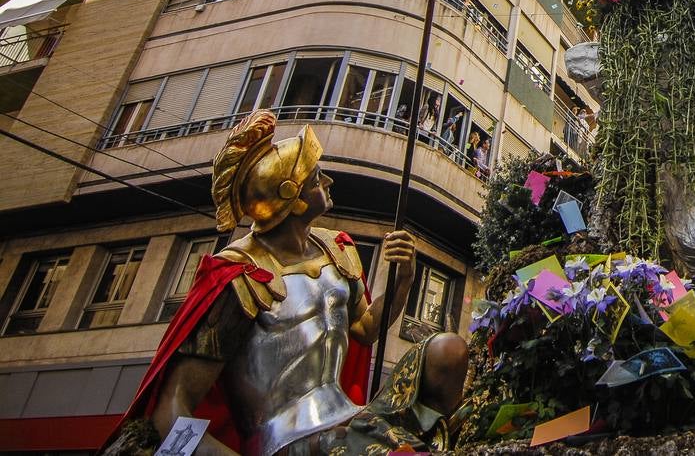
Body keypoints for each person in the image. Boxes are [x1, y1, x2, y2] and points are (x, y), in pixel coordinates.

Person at [104, 111, 470, 455]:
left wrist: (403, 279)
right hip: (290, 439)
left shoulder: (335, 248)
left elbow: (366, 329)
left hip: (349, 414)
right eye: (316, 178)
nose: (328, 181)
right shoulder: (239, 279)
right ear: (291, 199)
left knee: (448, 351)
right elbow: (172, 405)